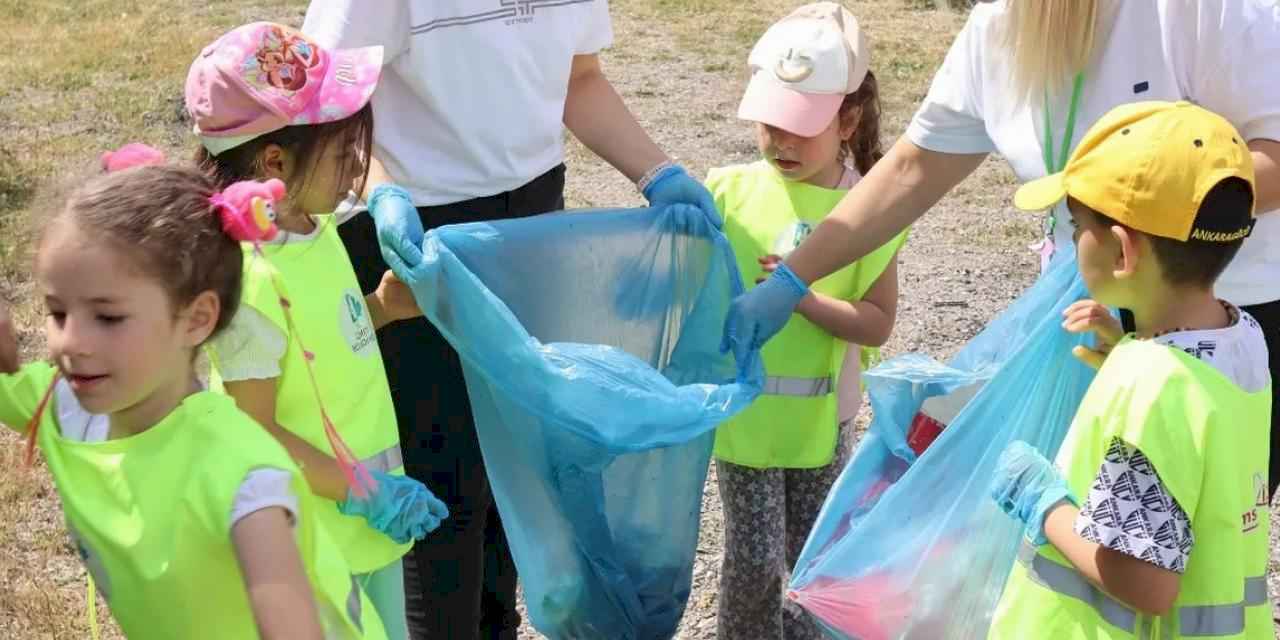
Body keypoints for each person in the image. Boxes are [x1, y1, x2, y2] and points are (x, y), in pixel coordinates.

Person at [720, 0, 1280, 491]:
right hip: (1092, 310)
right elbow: (915, 167)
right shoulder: (1000, 25)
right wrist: (794, 277)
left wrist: (1139, 214)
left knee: (1174, 535)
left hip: (1216, 314)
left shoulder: (1201, 12)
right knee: (1100, 527)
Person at [300, 2, 722, 637]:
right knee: (442, 485)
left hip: (528, 224)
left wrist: (657, 171)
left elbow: (579, 79)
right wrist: (383, 191)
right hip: (417, 231)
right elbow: (328, 106)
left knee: (515, 469)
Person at [0, 163, 390, 639]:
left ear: (196, 319)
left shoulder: (239, 474)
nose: (71, 342)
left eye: (108, 318)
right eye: (58, 312)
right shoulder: (67, 406)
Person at [186, 23, 447, 640]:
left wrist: (377, 309)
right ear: (274, 160)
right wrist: (365, 491)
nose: (358, 164)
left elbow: (316, 345)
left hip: (360, 533)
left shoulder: (310, 226)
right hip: (316, 550)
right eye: (340, 151)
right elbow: (256, 431)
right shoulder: (250, 283)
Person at [987, 101, 1273, 638]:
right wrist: (1125, 346)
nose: (1073, 241)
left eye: (1077, 225)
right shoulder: (1243, 339)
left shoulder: (1151, 385)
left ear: (1121, 251)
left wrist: (1039, 500)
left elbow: (1145, 582)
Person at [708, 4, 906, 638]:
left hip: (822, 420)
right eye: (770, 125)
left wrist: (803, 297)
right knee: (753, 560)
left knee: (814, 559)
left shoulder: (869, 208)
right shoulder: (729, 191)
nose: (780, 142)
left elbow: (877, 323)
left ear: (847, 119)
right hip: (743, 418)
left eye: (799, 128)